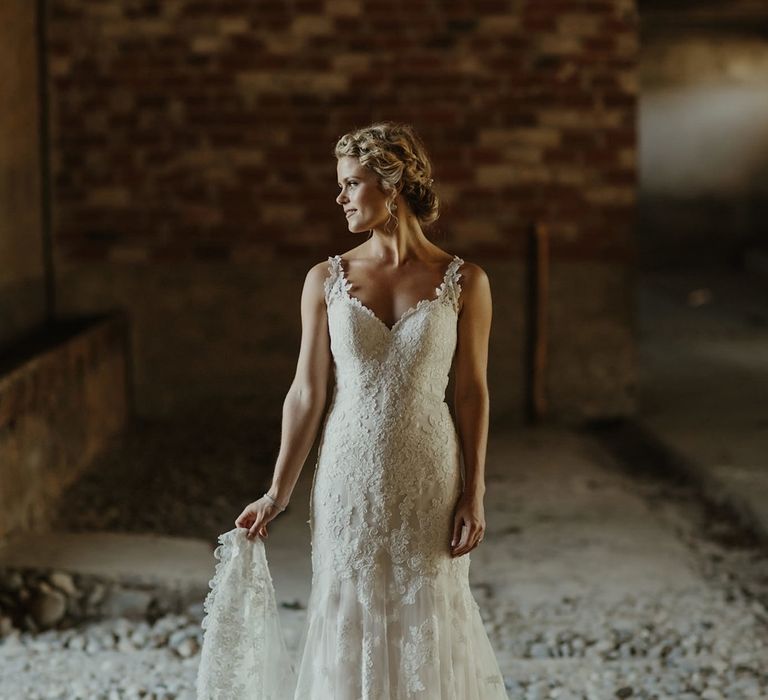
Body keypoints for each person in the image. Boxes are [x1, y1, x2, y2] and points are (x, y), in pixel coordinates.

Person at [196, 122, 508, 699]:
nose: (339, 198)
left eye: (351, 184)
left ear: (391, 187)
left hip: (429, 475)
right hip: (348, 476)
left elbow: (471, 392)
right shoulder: (325, 280)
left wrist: (475, 491)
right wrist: (276, 492)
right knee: (349, 612)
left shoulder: (466, 282)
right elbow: (306, 392)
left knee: (429, 614)